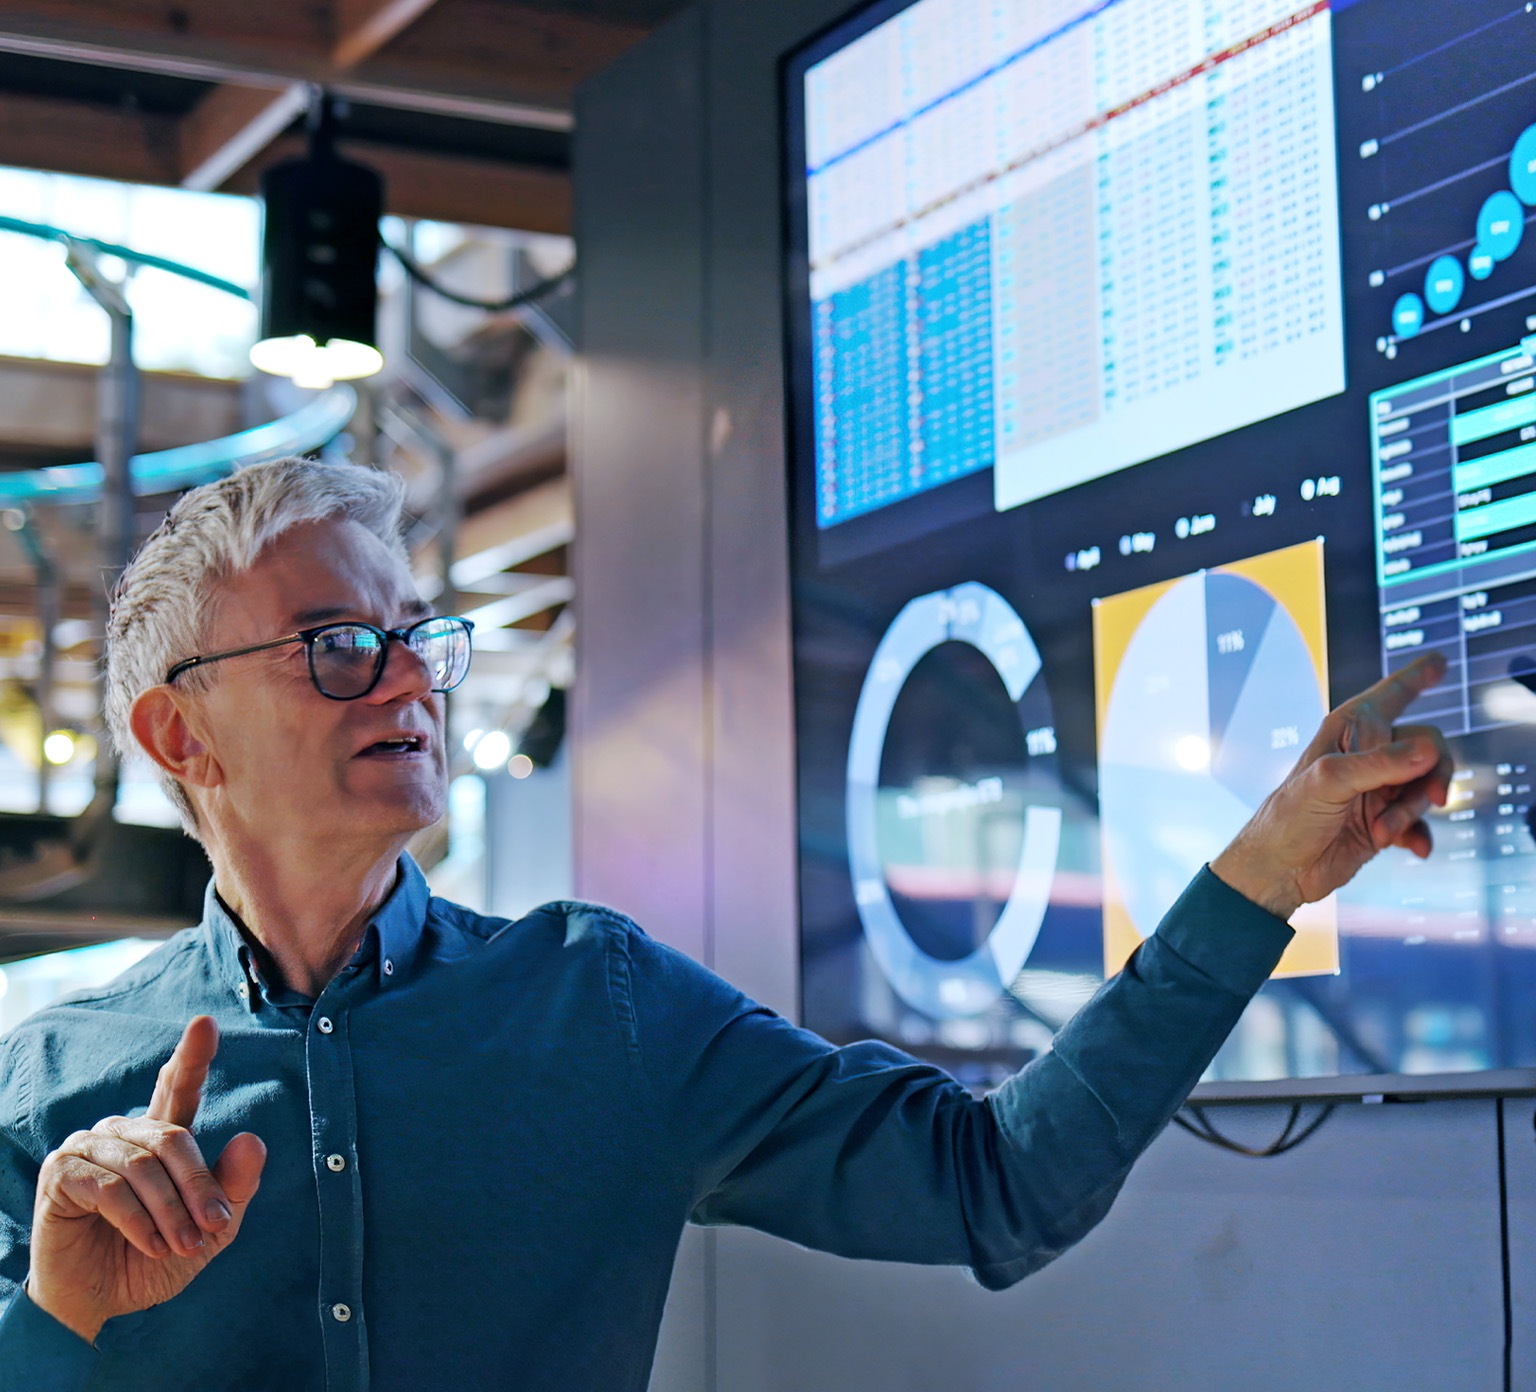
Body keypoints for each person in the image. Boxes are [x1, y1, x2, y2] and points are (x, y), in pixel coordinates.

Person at [0, 458, 1451, 1391]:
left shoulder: (598, 1005)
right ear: (178, 735)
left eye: (413, 638)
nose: (405, 683)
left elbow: (997, 1185)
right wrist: (59, 1319)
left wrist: (1261, 878)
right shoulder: (52, 1096)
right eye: (337, 648)